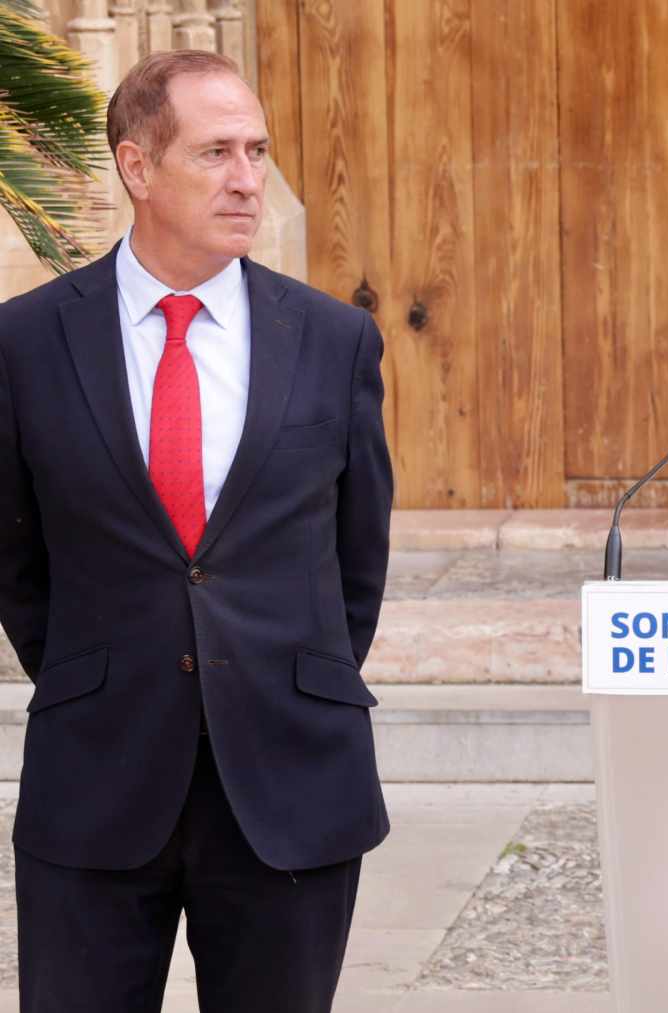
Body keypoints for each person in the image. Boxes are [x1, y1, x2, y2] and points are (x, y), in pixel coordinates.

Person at [0, 50, 392, 1011]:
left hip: (291, 786)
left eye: (257, 150)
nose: (249, 179)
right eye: (216, 152)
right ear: (138, 168)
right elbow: (17, 562)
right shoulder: (25, 343)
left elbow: (358, 558)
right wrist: (106, 668)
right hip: (95, 781)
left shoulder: (334, 340)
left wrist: (288, 676)